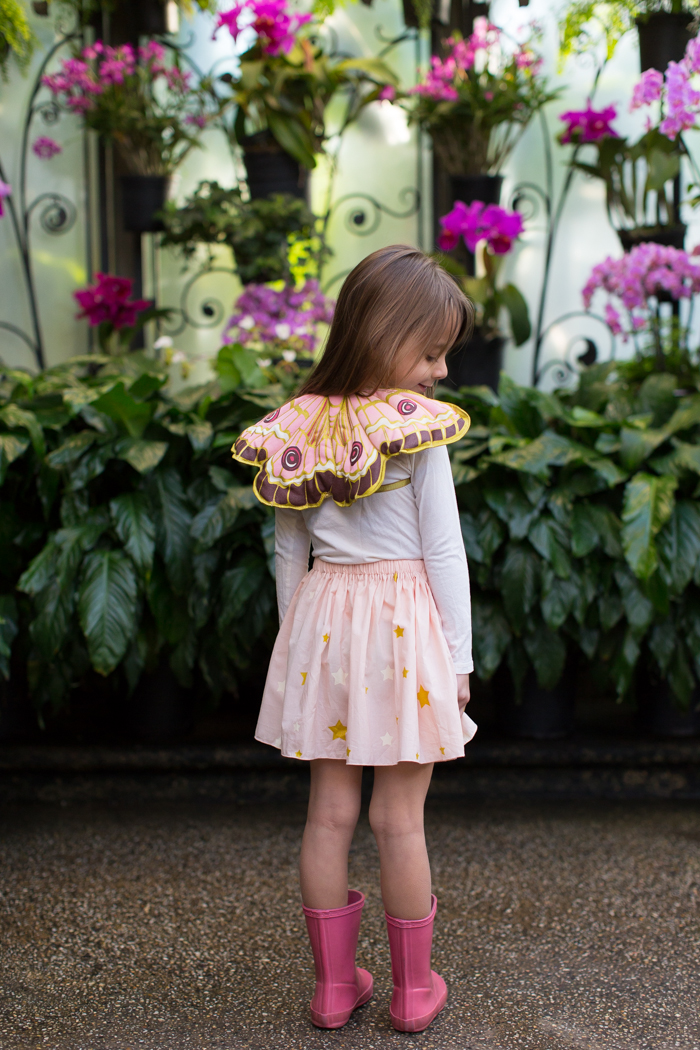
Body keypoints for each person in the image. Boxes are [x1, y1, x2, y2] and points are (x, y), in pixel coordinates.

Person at [232, 244, 477, 1034]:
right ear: (384, 332)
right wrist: (461, 657)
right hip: (406, 630)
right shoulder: (417, 432)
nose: (439, 372)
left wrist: (295, 643)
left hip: (324, 625)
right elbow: (443, 552)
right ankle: (412, 993)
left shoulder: (293, 429)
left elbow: (287, 554)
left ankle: (335, 989)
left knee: (328, 815)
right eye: (431, 351)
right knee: (398, 820)